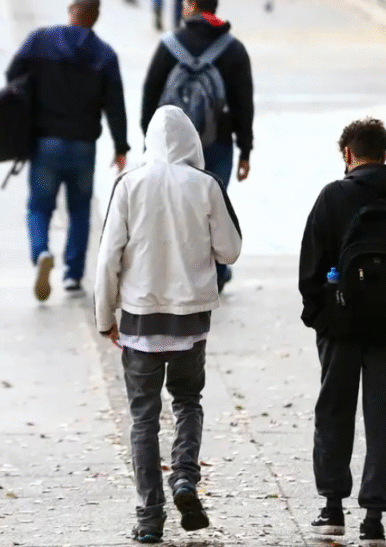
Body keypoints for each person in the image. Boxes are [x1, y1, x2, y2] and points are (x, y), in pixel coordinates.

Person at [95, 106, 242, 544]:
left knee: (143, 418)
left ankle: (149, 515)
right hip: (190, 322)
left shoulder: (129, 185)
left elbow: (107, 258)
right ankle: (184, 479)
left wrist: (105, 317)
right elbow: (230, 250)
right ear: (192, 142)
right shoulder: (206, 185)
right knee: (187, 401)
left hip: (140, 320)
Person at [298, 119, 386, 547]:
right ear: (385, 156)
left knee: (334, 412)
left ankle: (332, 508)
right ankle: (373, 517)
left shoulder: (331, 198)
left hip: (340, 327)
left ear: (348, 156)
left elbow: (309, 270)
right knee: (383, 417)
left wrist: (320, 316)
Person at [5, 0, 129, 301]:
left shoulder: (40, 41)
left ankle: (42, 251)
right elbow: (115, 104)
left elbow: (12, 76)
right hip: (83, 147)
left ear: (71, 9)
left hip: (45, 142)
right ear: (95, 17)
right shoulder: (104, 55)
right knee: (79, 210)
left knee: (39, 206)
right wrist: (121, 145)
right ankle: (73, 276)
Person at [141, 0, 253, 293]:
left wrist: (146, 138)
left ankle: (178, 273)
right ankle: (215, 274)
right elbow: (244, 103)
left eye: (185, 3)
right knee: (214, 208)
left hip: (171, 146)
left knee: (173, 208)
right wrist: (245, 149)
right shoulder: (233, 49)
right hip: (216, 143)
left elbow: (150, 92)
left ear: (192, 7)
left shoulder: (169, 45)